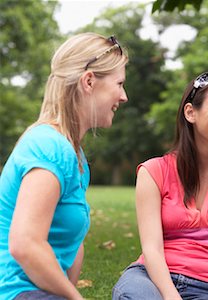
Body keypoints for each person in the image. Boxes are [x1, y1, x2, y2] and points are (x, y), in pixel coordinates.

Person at [112, 71, 208, 299]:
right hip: (152, 277)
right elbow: (152, 249)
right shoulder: (153, 172)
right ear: (190, 112)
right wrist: (171, 295)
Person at [0, 32, 128, 299]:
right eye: (119, 84)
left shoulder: (75, 155)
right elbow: (25, 244)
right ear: (89, 81)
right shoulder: (49, 146)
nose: (123, 96)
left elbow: (71, 247)